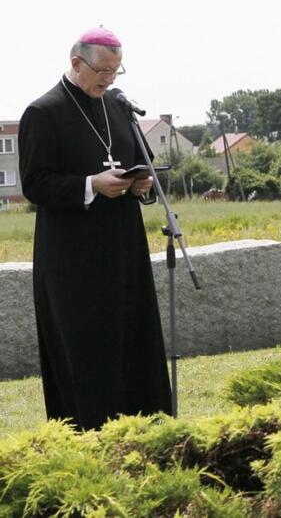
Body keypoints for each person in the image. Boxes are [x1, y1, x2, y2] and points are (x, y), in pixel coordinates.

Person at [18, 27, 171, 430]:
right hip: (71, 256)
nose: (108, 79)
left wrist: (141, 184)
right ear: (76, 63)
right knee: (85, 345)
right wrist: (91, 184)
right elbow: (35, 184)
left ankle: (146, 426)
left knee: (133, 336)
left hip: (123, 245)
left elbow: (145, 164)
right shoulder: (43, 112)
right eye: (102, 70)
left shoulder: (118, 109)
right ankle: (91, 431)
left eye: (116, 72)